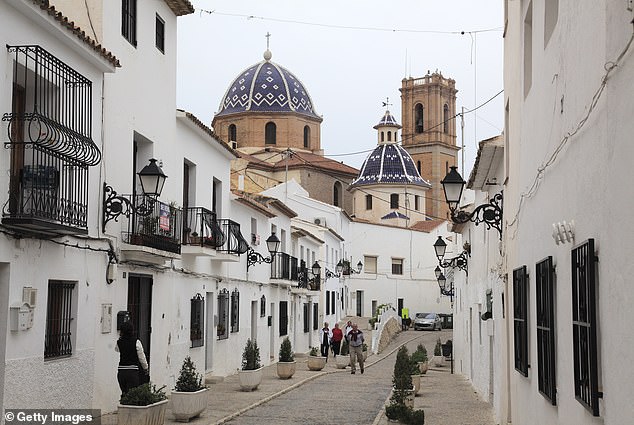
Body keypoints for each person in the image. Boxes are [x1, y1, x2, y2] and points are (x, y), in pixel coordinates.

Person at [115, 321, 149, 398]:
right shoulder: (136, 342)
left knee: (124, 393)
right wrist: (145, 368)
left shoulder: (119, 342)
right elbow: (141, 357)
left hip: (121, 372)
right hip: (132, 372)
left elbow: (117, 349)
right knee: (132, 395)